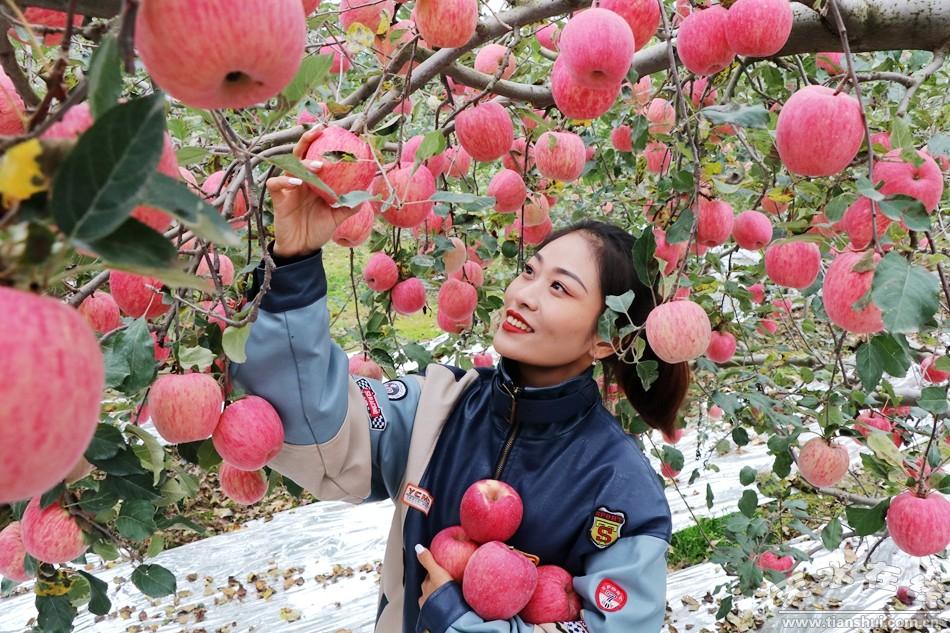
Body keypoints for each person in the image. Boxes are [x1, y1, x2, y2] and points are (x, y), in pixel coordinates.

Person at [231, 126, 691, 633]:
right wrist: (293, 266)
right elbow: (314, 429)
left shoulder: (619, 486)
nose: (524, 294)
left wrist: (457, 619)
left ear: (605, 340)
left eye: (559, 288)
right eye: (530, 271)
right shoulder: (438, 409)